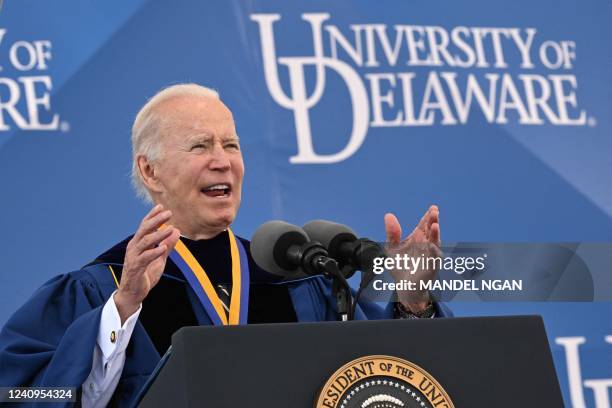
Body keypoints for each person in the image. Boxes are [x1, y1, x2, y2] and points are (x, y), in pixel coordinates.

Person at [0, 84, 450, 407]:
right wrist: (122, 310)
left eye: (231, 144)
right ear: (151, 171)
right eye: (200, 145)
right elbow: (27, 394)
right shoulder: (104, 287)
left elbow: (381, 377)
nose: (223, 160)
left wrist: (411, 301)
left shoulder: (297, 278)